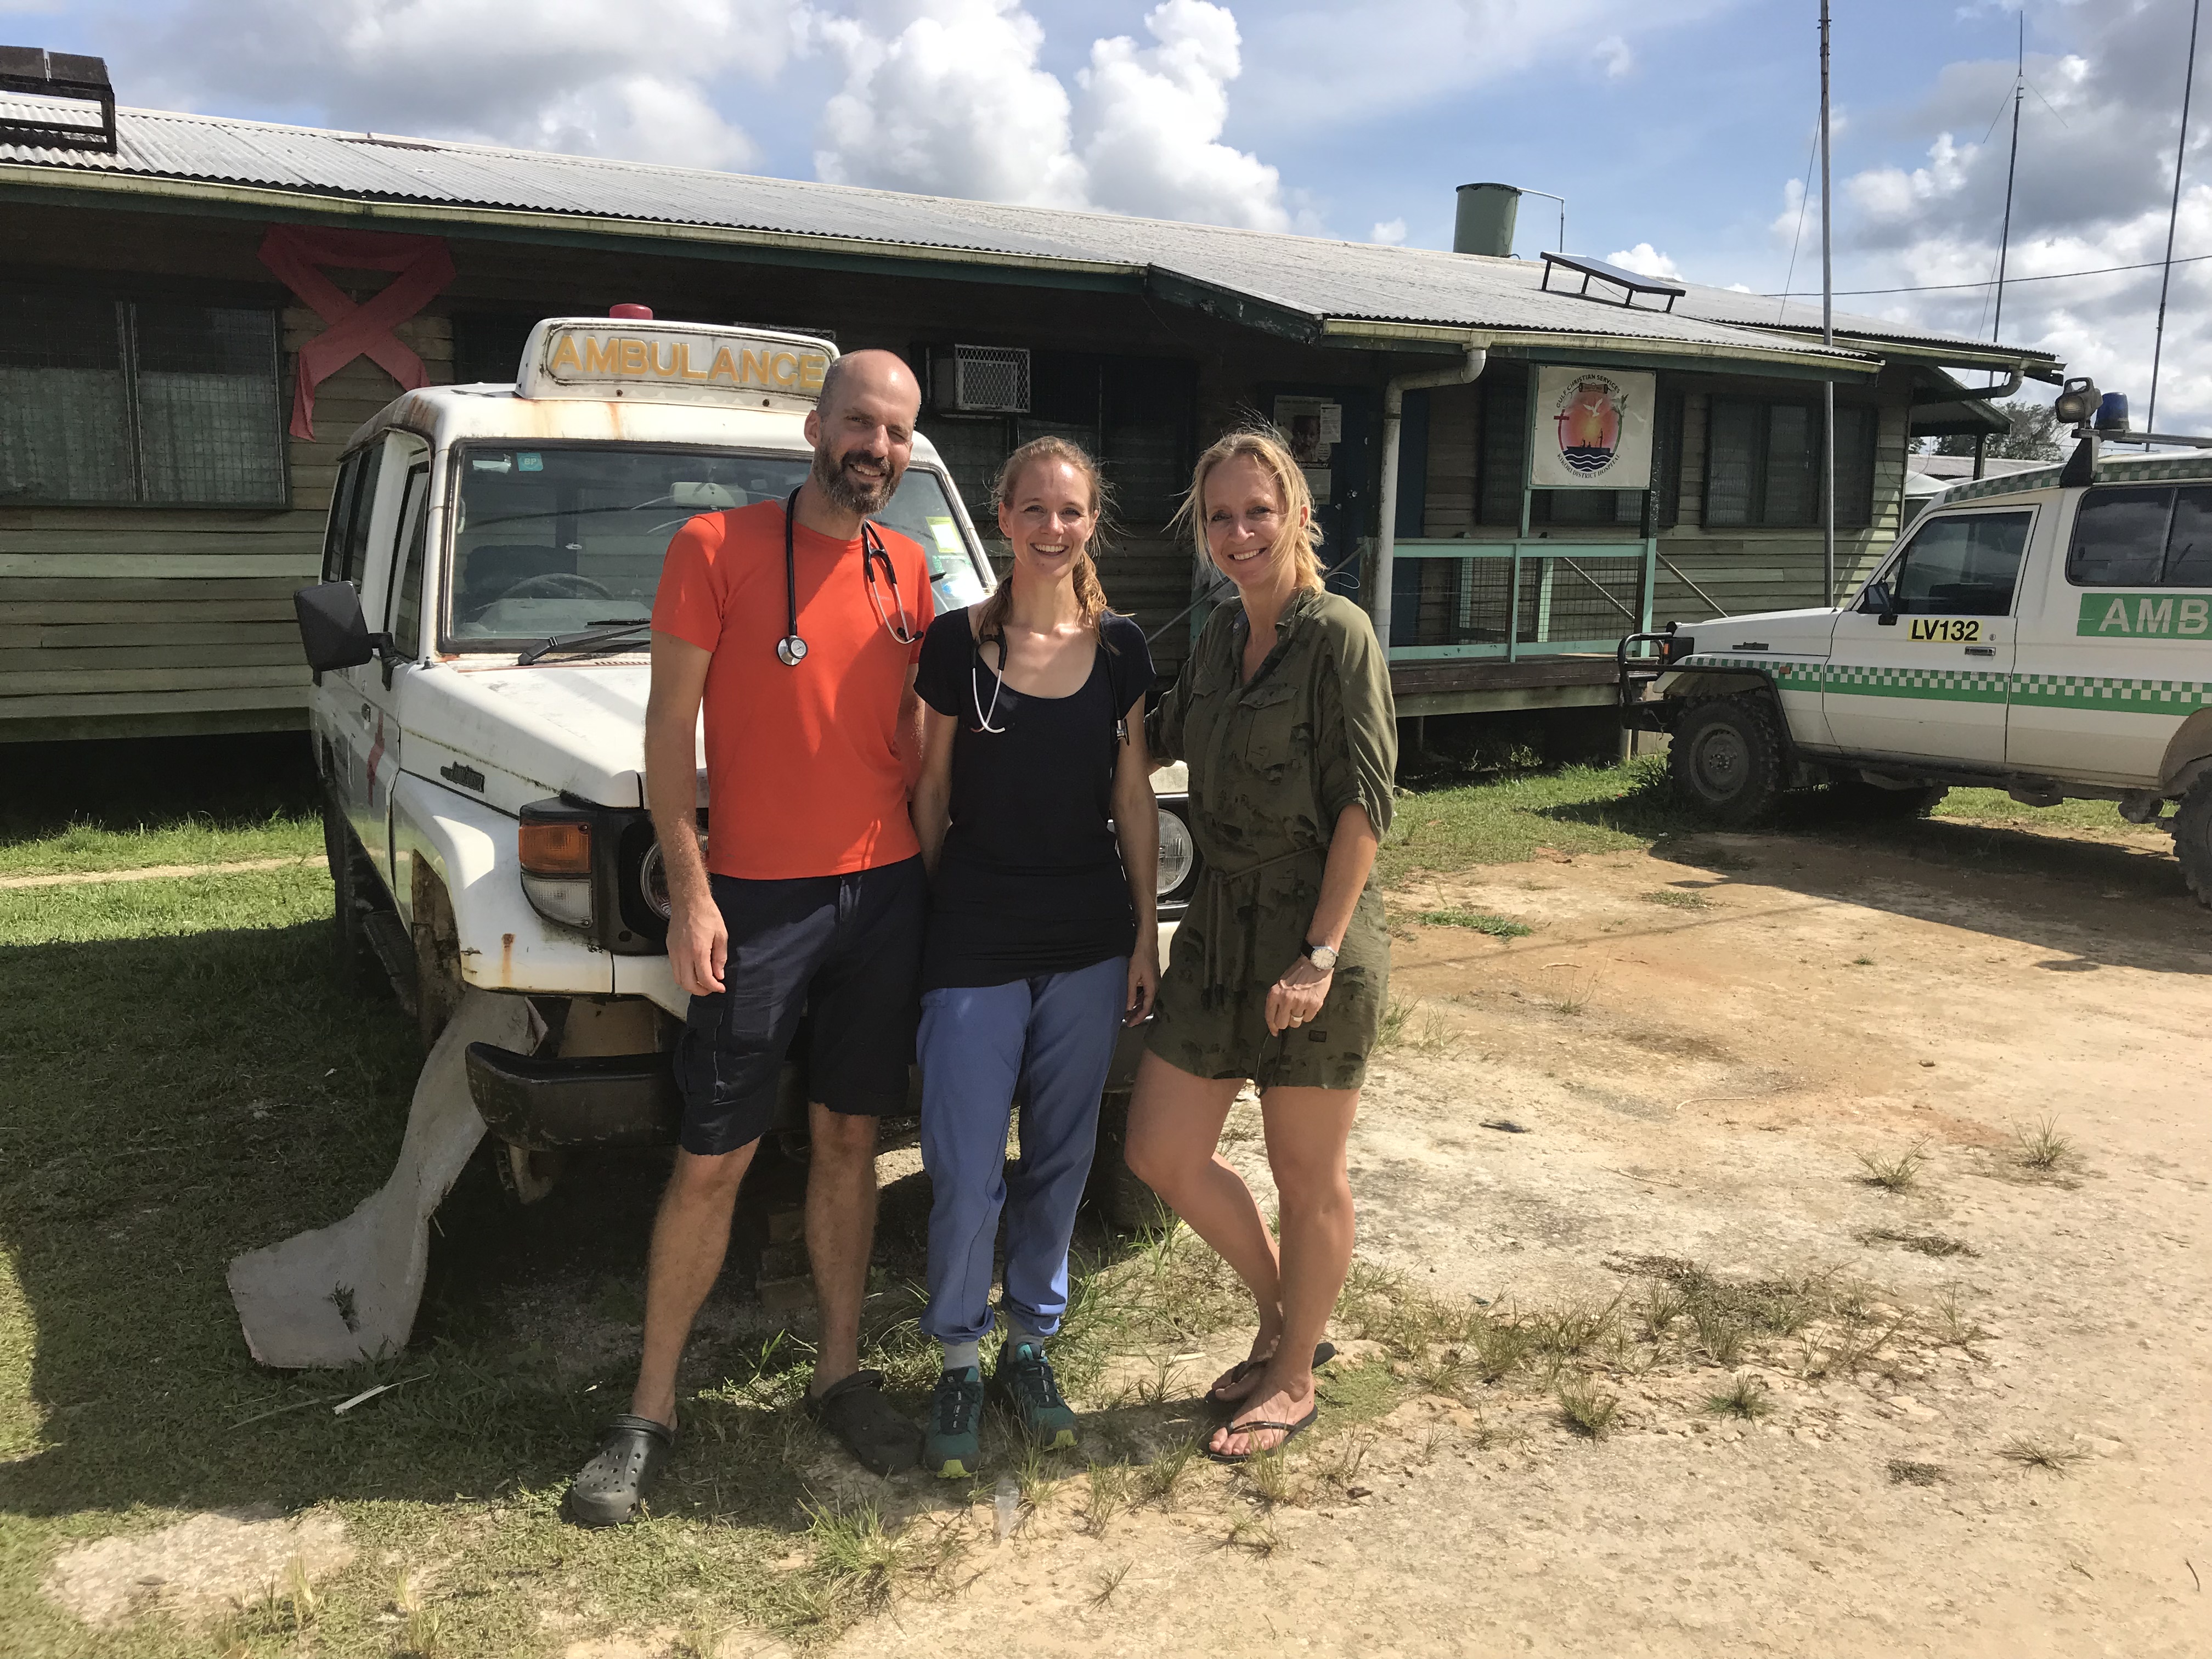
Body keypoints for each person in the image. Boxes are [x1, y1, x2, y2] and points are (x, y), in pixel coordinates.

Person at [567, 350, 936, 1526]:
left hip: (883, 899)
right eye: (858, 424)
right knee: (712, 1159)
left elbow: (926, 746)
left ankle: (840, 1376)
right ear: (814, 427)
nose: (873, 447)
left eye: (895, 433)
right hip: (756, 903)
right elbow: (669, 740)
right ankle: (648, 1412)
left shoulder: (911, 571)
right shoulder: (714, 551)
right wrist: (695, 892)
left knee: (849, 1140)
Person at [1124, 427, 1396, 1463]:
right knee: (1160, 1150)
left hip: (1311, 932)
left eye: (1258, 511)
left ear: (1297, 518)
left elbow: (1365, 806)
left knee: (1306, 1171)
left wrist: (1320, 954)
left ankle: (1291, 1375)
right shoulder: (1212, 639)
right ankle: (1294, 1314)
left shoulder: (1338, 636)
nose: (1240, 532)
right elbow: (1148, 741)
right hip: (1221, 927)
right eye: (1222, 516)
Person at [908, 436, 1159, 1478]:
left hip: (1090, 941)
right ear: (1000, 516)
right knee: (968, 1170)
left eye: (1072, 513)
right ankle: (959, 1355)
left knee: (1059, 1157)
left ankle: (1030, 1348)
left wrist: (1145, 931)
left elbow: (1132, 795)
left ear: (1090, 525)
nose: (1053, 529)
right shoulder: (956, 645)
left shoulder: (1124, 649)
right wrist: (936, 915)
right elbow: (926, 791)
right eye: (1035, 510)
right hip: (975, 936)